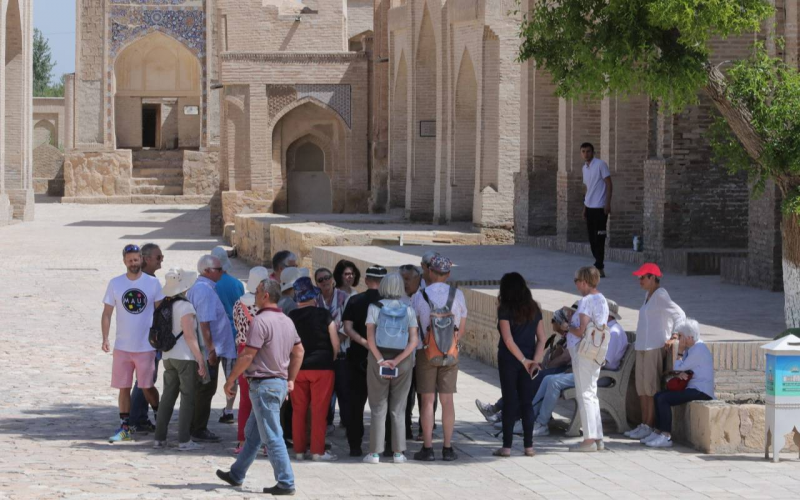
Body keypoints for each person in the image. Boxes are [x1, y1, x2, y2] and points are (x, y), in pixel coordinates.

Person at [216, 279, 305, 496]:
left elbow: (248, 354)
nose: (254, 295)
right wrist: (291, 379)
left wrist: (230, 380)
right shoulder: (287, 321)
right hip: (277, 383)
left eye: (256, 291)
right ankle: (237, 473)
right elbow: (299, 351)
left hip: (264, 384)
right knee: (254, 434)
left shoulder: (260, 321)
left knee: (272, 436)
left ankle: (286, 481)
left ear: (265, 295)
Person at [531, 300, 628, 440]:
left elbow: (602, 362)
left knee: (554, 382)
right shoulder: (606, 330)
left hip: (601, 376)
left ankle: (541, 423)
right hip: (591, 372)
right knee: (547, 379)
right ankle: (532, 418)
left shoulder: (613, 332)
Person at [476, 303, 576, 427]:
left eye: (572, 314)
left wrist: (546, 366)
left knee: (533, 379)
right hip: (563, 369)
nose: (570, 316)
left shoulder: (576, 333)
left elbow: (565, 358)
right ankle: (498, 410)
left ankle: (506, 415)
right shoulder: (568, 335)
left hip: (569, 371)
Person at [101, 244, 163, 443]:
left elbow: (161, 312)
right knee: (124, 387)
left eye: (136, 260)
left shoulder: (153, 283)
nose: (133, 263)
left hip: (146, 346)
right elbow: (107, 313)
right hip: (123, 346)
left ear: (141, 259)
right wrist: (105, 338)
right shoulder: (116, 283)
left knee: (147, 386)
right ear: (124, 261)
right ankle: (125, 428)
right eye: (130, 260)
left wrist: (161, 338)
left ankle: (159, 416)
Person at [411, 254, 467, 462]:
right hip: (450, 353)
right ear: (448, 273)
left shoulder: (420, 296)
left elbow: (414, 325)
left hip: (426, 351)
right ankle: (448, 448)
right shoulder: (457, 295)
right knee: (447, 400)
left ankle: (427, 448)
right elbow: (461, 328)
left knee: (427, 401)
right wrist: (450, 345)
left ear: (430, 272)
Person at [362, 273, 420, 464]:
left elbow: (370, 338)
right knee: (399, 407)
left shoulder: (374, 307)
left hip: (378, 358)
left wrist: (380, 360)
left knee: (378, 406)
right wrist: (397, 361)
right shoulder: (408, 310)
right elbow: (414, 341)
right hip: (402, 361)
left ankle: (375, 453)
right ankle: (398, 453)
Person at [626, 263, 686, 441]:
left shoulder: (661, 294)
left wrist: (674, 335)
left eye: (643, 277)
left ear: (652, 277)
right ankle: (644, 423)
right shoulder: (648, 295)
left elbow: (679, 314)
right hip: (642, 346)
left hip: (654, 347)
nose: (640, 280)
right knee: (642, 387)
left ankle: (649, 425)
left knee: (651, 388)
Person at [153, 268, 207, 451]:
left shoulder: (165, 304)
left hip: (168, 355)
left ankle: (159, 438)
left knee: (167, 397)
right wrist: (200, 359)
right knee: (187, 397)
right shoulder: (185, 307)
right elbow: (190, 336)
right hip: (185, 357)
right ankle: (184, 440)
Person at [493, 272, 547, 457]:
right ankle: (529, 446)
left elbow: (508, 340)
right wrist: (534, 362)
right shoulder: (534, 308)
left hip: (509, 360)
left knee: (509, 401)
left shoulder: (505, 309)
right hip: (530, 361)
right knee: (527, 403)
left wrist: (523, 361)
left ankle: (506, 447)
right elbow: (542, 338)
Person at [287, 277, 340, 461]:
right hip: (322, 367)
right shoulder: (324, 314)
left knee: (298, 410)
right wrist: (332, 359)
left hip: (298, 368)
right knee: (319, 411)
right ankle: (317, 451)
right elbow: (335, 343)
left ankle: (299, 450)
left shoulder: (291, 316)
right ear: (313, 296)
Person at [187, 255, 238, 443]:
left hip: (208, 348)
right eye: (218, 269)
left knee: (204, 388)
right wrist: (211, 350)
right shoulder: (204, 291)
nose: (222, 272)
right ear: (207, 271)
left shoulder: (204, 288)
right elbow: (204, 323)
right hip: (208, 350)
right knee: (205, 388)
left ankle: (195, 425)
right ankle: (198, 428)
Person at [642, 319, 714, 448]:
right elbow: (681, 369)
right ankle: (658, 431)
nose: (679, 339)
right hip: (693, 388)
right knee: (658, 396)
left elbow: (677, 367)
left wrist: (680, 351)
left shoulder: (698, 349)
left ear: (689, 337)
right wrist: (680, 373)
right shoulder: (693, 347)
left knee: (664, 399)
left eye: (680, 336)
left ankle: (666, 436)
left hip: (700, 391)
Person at [561, 266, 609, 452]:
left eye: (577, 281)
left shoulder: (586, 301)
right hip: (596, 351)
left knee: (585, 394)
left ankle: (589, 440)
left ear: (584, 281)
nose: (576, 284)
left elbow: (581, 331)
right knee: (591, 392)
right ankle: (598, 438)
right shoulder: (602, 299)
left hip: (583, 351)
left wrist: (567, 326)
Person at [343, 265, 387, 456]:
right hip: (384, 358)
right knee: (383, 403)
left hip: (357, 357)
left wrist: (365, 343)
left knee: (356, 404)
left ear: (367, 280)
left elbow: (347, 328)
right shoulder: (390, 304)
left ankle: (355, 445)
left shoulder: (355, 300)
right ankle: (385, 445)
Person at [232, 266, 270, 454]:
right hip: (262, 352)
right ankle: (265, 443)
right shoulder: (266, 304)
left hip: (242, 350)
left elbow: (236, 326)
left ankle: (242, 441)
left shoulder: (239, 303)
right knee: (264, 400)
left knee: (245, 399)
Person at [129, 242, 164, 433]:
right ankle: (136, 418)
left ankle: (139, 417)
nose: (161, 261)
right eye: (158, 257)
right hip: (148, 338)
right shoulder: (147, 282)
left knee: (144, 379)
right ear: (147, 259)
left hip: (141, 337)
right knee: (145, 380)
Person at [211, 246, 246, 424]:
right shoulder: (237, 284)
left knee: (209, 376)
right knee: (231, 376)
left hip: (212, 335)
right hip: (233, 334)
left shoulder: (210, 284)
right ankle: (229, 409)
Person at [315, 267, 350, 434]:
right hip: (323, 352)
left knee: (343, 388)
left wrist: (336, 341)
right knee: (325, 390)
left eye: (327, 277)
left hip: (342, 350)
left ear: (332, 279)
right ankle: (327, 421)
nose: (325, 282)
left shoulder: (344, 298)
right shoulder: (315, 300)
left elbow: (348, 323)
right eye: (320, 280)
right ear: (317, 283)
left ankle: (346, 421)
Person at [580, 142, 612, 278]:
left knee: (600, 237)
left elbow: (609, 184)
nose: (586, 154)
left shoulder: (600, 165)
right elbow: (588, 189)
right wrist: (584, 207)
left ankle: (599, 266)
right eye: (583, 151)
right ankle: (598, 264)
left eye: (588, 151)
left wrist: (607, 203)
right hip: (589, 208)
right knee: (592, 238)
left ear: (593, 152)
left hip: (600, 208)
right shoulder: (584, 168)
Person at [399, 264, 423, 438]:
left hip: (422, 353)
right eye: (402, 280)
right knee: (405, 394)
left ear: (417, 279)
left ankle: (424, 428)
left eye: (408, 279)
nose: (405, 283)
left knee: (424, 393)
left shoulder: (424, 298)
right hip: (402, 355)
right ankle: (405, 427)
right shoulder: (396, 300)